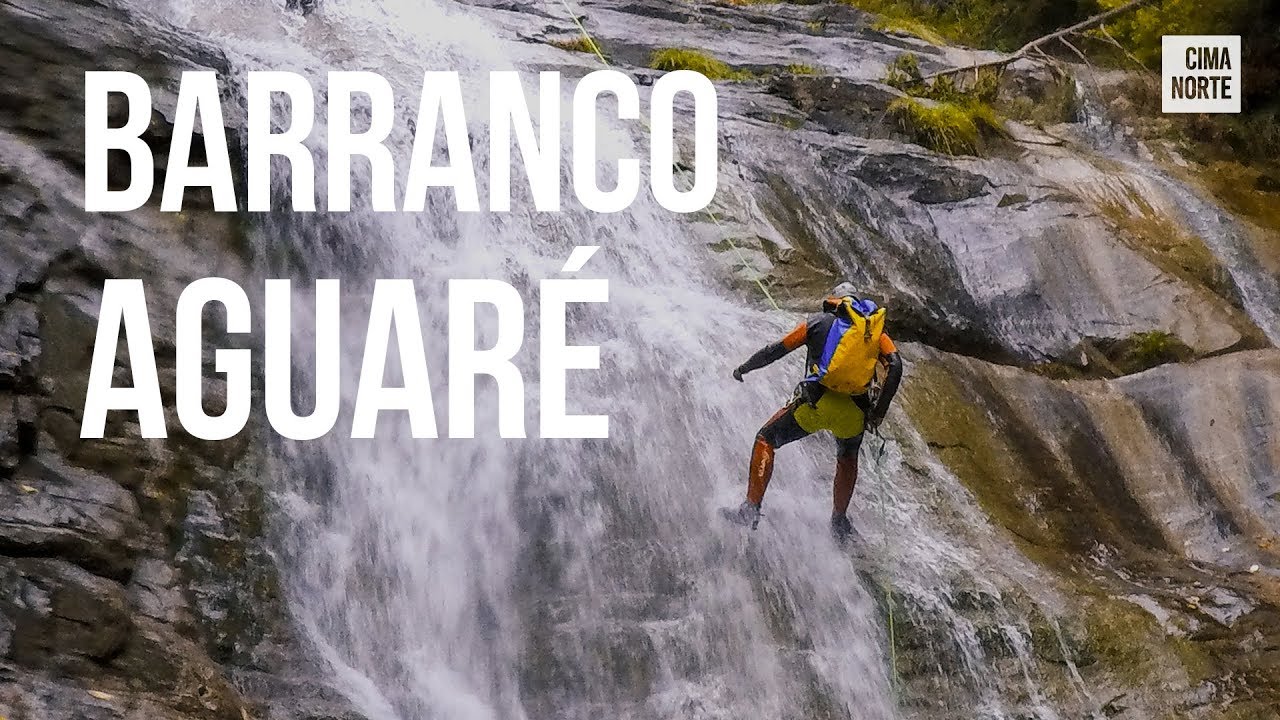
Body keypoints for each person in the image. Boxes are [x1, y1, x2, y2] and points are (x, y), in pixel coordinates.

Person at [725, 282, 904, 541]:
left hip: (815, 405)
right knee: (847, 456)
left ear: (833, 300)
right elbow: (895, 365)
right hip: (854, 413)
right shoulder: (872, 331)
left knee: (766, 438)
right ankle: (839, 521)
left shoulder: (817, 322)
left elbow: (775, 350)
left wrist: (744, 368)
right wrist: (878, 413)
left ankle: (751, 508)